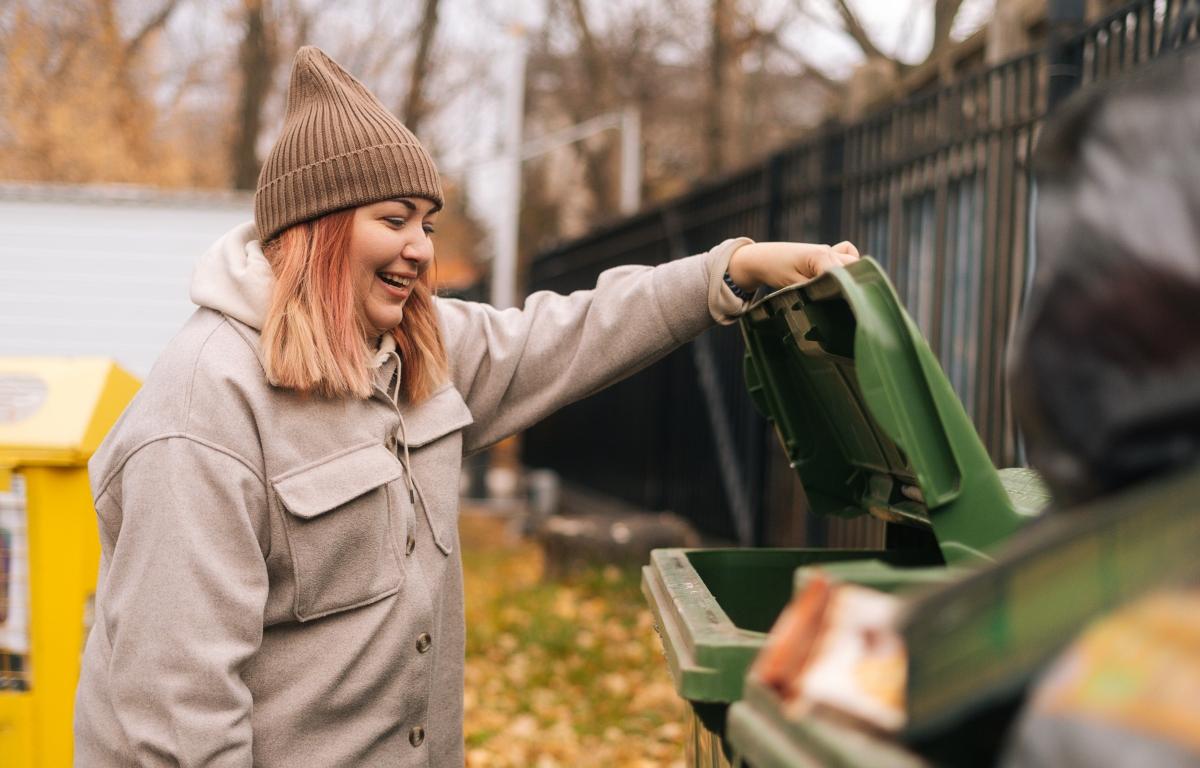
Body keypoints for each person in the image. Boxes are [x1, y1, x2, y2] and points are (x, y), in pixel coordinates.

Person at [73, 46, 858, 767]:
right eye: (393, 219)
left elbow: (573, 330)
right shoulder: (203, 412)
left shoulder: (415, 353)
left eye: (427, 222)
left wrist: (733, 268)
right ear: (316, 230)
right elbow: (181, 721)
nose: (420, 246)